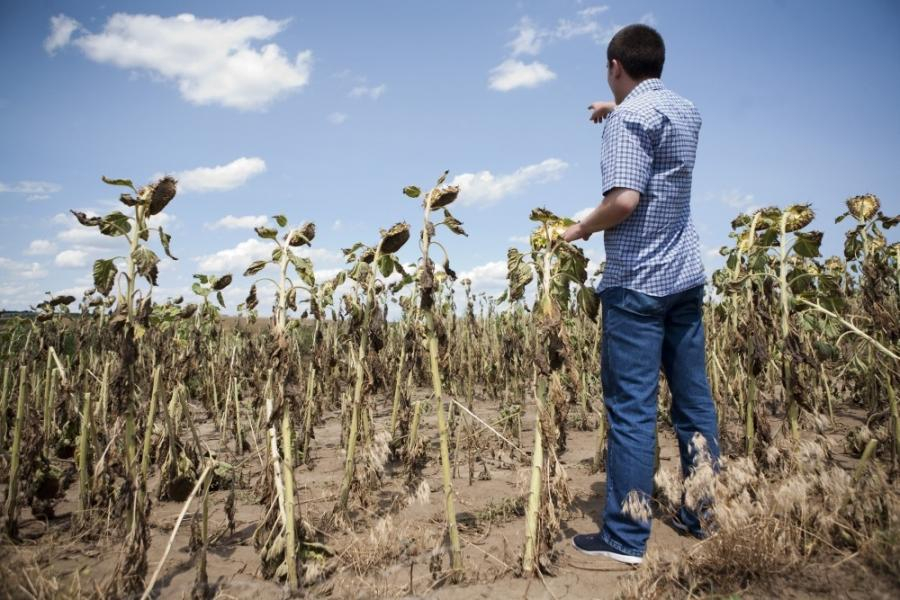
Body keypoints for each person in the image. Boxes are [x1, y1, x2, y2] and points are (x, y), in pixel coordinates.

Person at [562, 23, 720, 565]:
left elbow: (625, 199)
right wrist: (617, 107)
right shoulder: (685, 111)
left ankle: (626, 537)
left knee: (631, 409)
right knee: (694, 404)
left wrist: (580, 229)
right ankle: (705, 516)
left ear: (614, 65)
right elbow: (652, 123)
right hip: (684, 277)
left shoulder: (628, 120)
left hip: (636, 286)